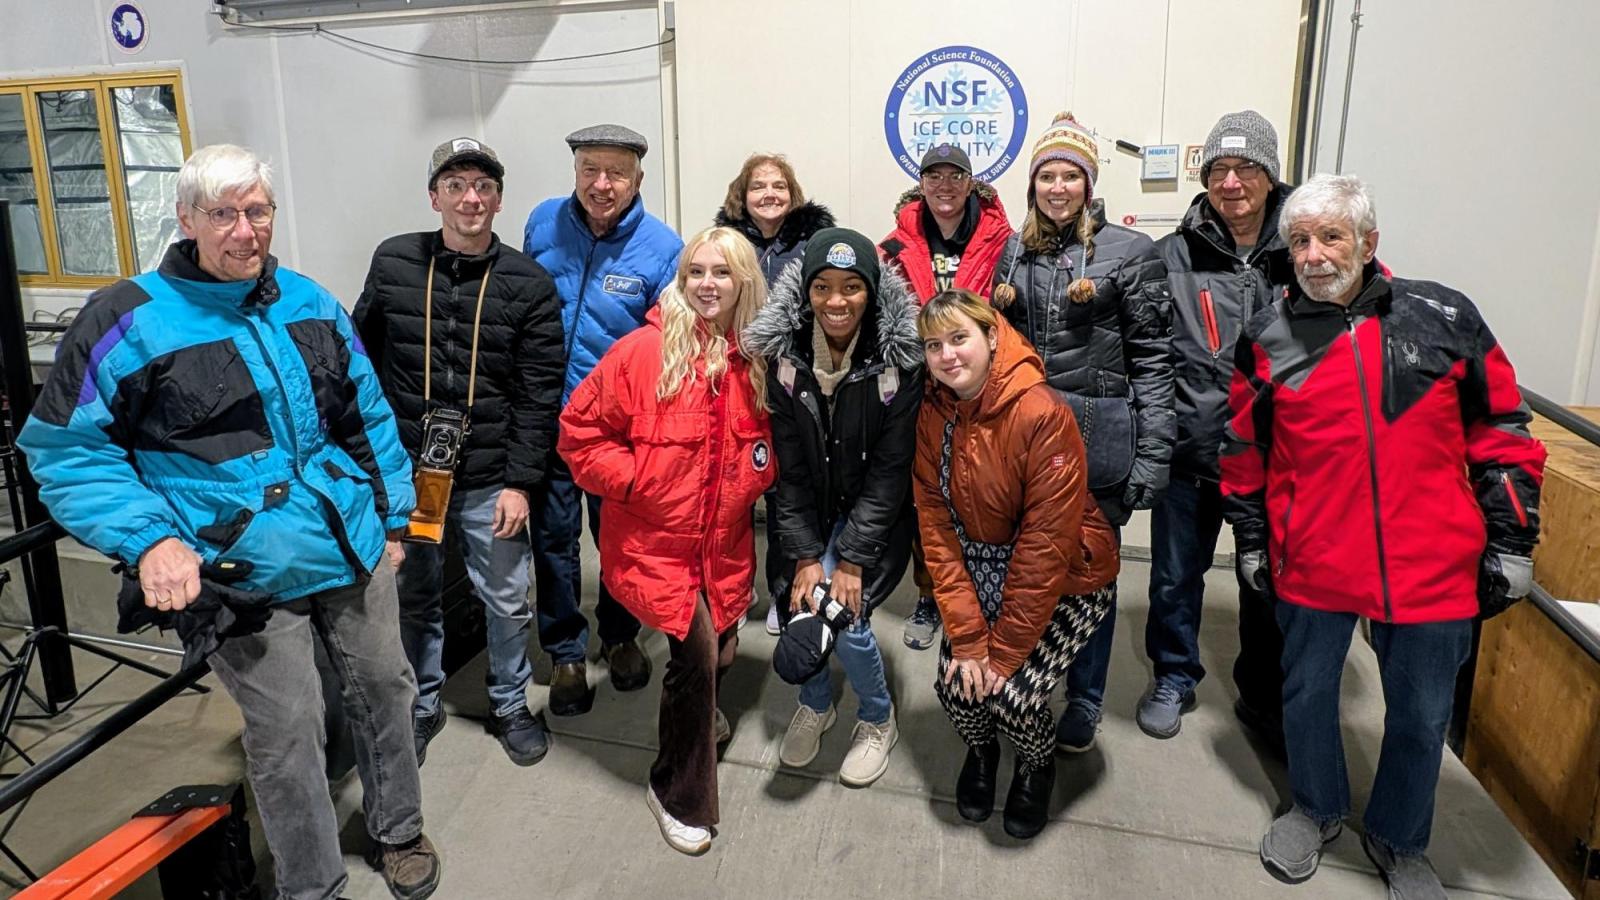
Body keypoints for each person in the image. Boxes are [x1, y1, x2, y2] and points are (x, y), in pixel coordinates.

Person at [17, 144, 440, 900]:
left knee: (386, 686)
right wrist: (151, 538)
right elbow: (67, 452)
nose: (245, 231)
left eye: (258, 212)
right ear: (185, 219)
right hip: (237, 568)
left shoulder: (308, 300)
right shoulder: (127, 318)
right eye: (224, 215)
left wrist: (394, 518)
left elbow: (366, 417)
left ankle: (399, 829)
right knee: (287, 733)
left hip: (347, 539)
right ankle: (314, 886)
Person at [1221, 174, 1545, 896]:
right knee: (1304, 692)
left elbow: (1501, 429)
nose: (1313, 255)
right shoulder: (1269, 335)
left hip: (1430, 561)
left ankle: (1401, 839)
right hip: (1314, 555)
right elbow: (1244, 448)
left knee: (1423, 712)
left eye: (1331, 236)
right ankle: (1315, 806)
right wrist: (1250, 539)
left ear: (1369, 242)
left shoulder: (1443, 316)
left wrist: (1514, 541)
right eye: (1300, 240)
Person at [558, 226, 773, 855]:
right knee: (698, 658)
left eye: (722, 273)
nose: (708, 285)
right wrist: (635, 480)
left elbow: (765, 448)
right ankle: (677, 790)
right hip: (658, 549)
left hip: (724, 547)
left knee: (724, 651)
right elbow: (579, 432)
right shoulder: (641, 353)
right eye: (696, 272)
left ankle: (700, 712)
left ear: (744, 283)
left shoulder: (753, 359)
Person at [354, 137, 564, 766]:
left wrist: (521, 483)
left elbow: (538, 394)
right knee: (416, 595)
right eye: (456, 185)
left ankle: (508, 703)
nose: (470, 198)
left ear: (499, 199)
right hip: (411, 474)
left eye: (483, 186)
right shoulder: (393, 263)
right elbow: (360, 364)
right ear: (434, 196)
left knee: (504, 598)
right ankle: (422, 704)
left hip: (489, 476)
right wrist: (370, 463)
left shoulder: (529, 284)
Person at [991, 112, 1174, 752]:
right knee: (1031, 571)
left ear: (1089, 185)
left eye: (1071, 175)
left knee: (1090, 572)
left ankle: (1086, 698)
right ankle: (1028, 676)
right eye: (1048, 175)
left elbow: (1154, 360)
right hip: (1027, 445)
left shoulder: (1130, 253)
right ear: (1033, 183)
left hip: (1100, 440)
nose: (1059, 187)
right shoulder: (1015, 251)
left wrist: (1153, 456)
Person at [914, 289, 1119, 840]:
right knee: (958, 686)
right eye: (934, 345)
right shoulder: (935, 412)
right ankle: (982, 753)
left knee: (1014, 697)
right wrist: (969, 640)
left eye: (959, 338)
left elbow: (1045, 548)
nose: (947, 355)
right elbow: (935, 526)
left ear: (991, 336)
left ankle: (1035, 764)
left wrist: (999, 655)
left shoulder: (1041, 411)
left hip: (1065, 579)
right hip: (979, 567)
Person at [743, 227, 921, 786]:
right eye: (822, 287)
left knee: (845, 617)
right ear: (806, 293)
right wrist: (801, 555)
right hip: (808, 511)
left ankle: (876, 718)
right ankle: (817, 704)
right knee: (802, 604)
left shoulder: (900, 361)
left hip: (875, 516)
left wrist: (850, 558)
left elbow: (892, 472)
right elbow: (788, 472)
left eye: (851, 287)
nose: (836, 302)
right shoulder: (786, 358)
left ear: (871, 290)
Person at [1145, 110, 1294, 746]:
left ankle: (1263, 693)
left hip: (1276, 459)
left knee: (1266, 579)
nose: (1231, 182)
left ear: (1270, 176)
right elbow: (1142, 348)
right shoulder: (1170, 255)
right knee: (1175, 575)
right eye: (1218, 170)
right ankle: (1174, 674)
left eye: (1245, 168)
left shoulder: (1304, 248)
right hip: (1192, 450)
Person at [524, 124, 683, 716]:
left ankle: (618, 636)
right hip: (546, 416)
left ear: (638, 178)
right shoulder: (543, 224)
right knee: (554, 539)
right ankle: (565, 651)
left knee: (616, 537)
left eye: (615, 172)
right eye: (590, 169)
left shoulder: (664, 248)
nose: (601, 183)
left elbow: (668, 343)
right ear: (575, 171)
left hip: (615, 428)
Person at [881, 144, 1015, 650]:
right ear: (921, 184)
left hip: (984, 390)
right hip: (920, 392)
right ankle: (929, 592)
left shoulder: (1005, 240)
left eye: (954, 175)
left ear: (970, 182)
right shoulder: (893, 246)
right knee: (927, 500)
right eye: (932, 176)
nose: (943, 185)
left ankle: (978, 595)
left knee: (979, 495)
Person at [714, 152, 837, 634]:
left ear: (793, 193)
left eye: (778, 186)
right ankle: (732, 590)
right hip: (735, 382)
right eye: (758, 186)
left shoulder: (816, 242)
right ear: (741, 196)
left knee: (790, 489)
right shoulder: (724, 244)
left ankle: (785, 590)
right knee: (733, 493)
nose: (769, 194)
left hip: (792, 384)